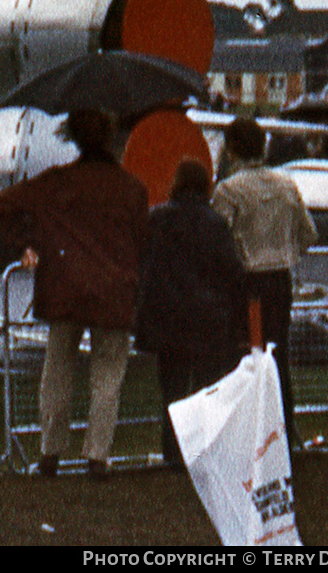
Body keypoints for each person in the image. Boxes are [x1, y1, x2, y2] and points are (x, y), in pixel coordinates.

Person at [0, 109, 149, 480]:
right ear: (111, 138)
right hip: (114, 290)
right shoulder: (131, 188)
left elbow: (5, 203)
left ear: (72, 138)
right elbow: (143, 240)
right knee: (108, 376)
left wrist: (26, 243)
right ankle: (97, 455)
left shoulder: (57, 182)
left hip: (65, 286)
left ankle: (50, 452)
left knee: (57, 371)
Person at [134, 160, 247, 468]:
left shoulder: (157, 219)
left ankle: (173, 454)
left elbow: (145, 265)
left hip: (167, 318)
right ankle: (205, 453)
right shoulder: (214, 223)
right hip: (208, 318)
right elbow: (231, 270)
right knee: (208, 390)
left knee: (173, 393)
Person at [213, 117, 318, 446]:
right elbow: (309, 234)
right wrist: (286, 251)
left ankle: (247, 437)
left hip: (248, 285)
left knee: (245, 358)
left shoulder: (230, 190)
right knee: (278, 357)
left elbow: (217, 240)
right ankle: (286, 431)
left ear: (231, 150)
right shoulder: (286, 184)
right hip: (281, 281)